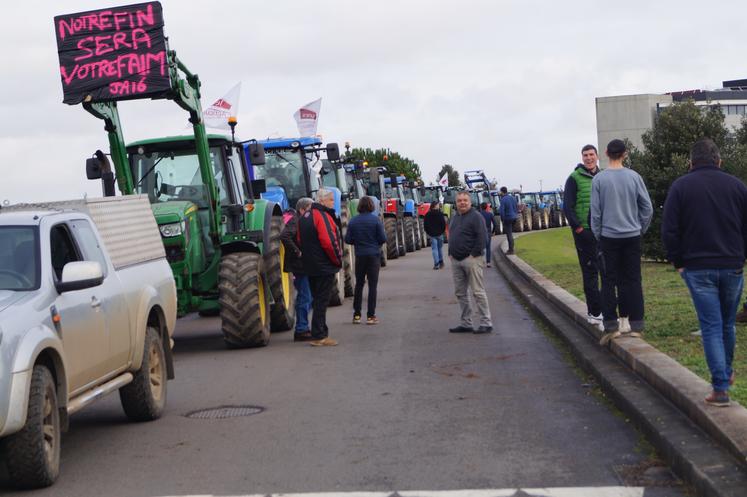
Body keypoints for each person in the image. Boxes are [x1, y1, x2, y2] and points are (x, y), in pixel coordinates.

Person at [662, 138, 747, 407]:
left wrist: (678, 262)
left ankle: (720, 387)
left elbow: (669, 229)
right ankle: (726, 373)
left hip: (697, 267)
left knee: (710, 326)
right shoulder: (737, 186)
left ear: (691, 162)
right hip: (732, 264)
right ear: (719, 160)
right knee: (727, 323)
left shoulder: (681, 187)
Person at [590, 139, 653, 343]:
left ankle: (611, 325)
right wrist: (640, 228)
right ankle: (636, 325)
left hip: (608, 237)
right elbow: (647, 208)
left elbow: (596, 213)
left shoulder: (599, 180)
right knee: (633, 280)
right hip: (632, 236)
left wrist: (598, 234)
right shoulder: (634, 177)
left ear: (606, 153)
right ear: (625, 154)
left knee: (608, 281)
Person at [563, 144, 604, 330]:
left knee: (606, 272)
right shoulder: (574, 178)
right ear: (582, 157)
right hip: (584, 232)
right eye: (585, 155)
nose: (588, 158)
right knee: (590, 273)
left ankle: (606, 309)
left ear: (597, 156)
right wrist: (578, 228)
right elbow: (567, 206)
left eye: (591, 155)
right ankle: (594, 312)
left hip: (603, 232)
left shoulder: (603, 176)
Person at [297, 188, 342, 346]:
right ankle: (320, 336)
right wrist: (337, 260)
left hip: (310, 266)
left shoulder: (304, 217)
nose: (333, 203)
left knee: (317, 300)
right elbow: (329, 241)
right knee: (322, 301)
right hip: (324, 266)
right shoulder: (322, 216)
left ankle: (319, 332)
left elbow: (299, 240)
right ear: (322, 201)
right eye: (331, 200)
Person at [448, 191, 492, 334]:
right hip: (456, 260)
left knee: (477, 292)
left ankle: (486, 322)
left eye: (465, 200)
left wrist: (474, 254)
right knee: (460, 293)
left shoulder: (476, 217)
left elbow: (482, 238)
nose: (462, 203)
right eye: (459, 200)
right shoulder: (455, 218)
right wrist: (450, 252)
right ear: (456, 202)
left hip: (472, 260)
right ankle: (466, 323)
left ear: (470, 202)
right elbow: (452, 235)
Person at [345, 196, 387, 324]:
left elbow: (348, 240)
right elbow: (383, 238)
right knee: (372, 286)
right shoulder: (376, 221)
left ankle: (357, 315)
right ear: (371, 206)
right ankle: (371, 316)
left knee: (359, 284)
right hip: (374, 255)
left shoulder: (353, 221)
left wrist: (357, 242)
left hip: (360, 255)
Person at [281, 198, 315, 342]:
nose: (312, 212)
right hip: (300, 266)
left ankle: (303, 325)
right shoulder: (296, 221)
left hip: (304, 265)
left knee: (309, 297)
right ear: (302, 209)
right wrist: (298, 252)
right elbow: (284, 236)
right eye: (310, 209)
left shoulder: (299, 220)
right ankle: (301, 329)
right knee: (305, 297)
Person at [424, 200, 446, 269]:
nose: (439, 206)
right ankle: (441, 261)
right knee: (439, 248)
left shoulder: (427, 214)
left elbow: (425, 225)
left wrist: (428, 232)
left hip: (432, 234)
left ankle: (436, 264)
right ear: (435, 206)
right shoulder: (440, 214)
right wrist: (442, 231)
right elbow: (443, 224)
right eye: (438, 205)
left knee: (434, 249)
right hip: (439, 234)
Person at [498, 186, 518, 254]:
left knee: (509, 234)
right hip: (514, 217)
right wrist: (515, 215)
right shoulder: (513, 198)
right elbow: (516, 207)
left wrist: (502, 220)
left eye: (500, 191)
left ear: (502, 192)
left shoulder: (503, 199)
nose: (499, 193)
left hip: (508, 218)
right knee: (511, 234)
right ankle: (511, 248)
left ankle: (511, 250)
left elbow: (502, 211)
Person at [479, 202, 496, 267]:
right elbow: (495, 224)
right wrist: (493, 231)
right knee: (488, 248)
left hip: (480, 233)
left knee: (480, 248)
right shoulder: (490, 214)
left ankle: (480, 261)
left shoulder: (478, 215)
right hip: (488, 232)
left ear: (481, 207)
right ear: (487, 207)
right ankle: (488, 262)